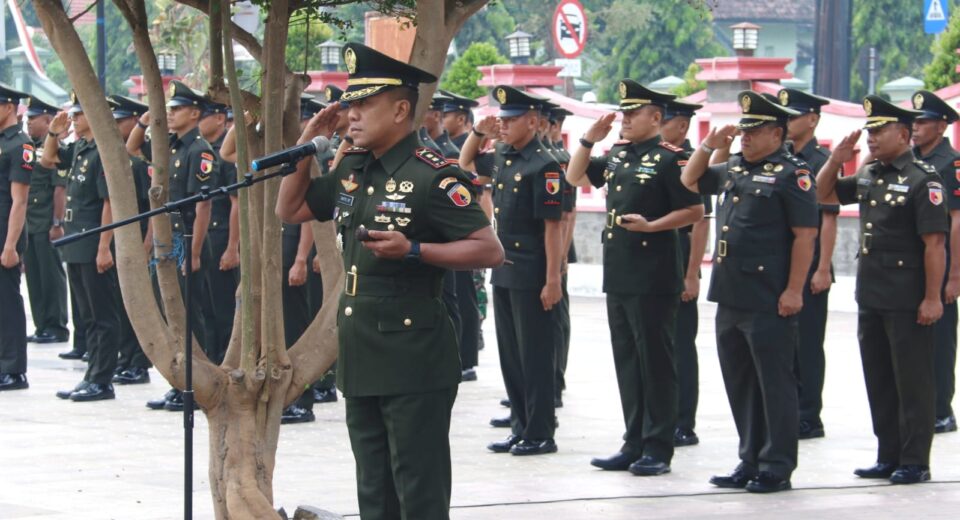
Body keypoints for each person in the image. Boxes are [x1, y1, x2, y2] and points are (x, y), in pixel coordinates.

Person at [276, 42, 502, 519]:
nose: (351, 116)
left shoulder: (433, 177)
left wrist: (415, 250)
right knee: (374, 490)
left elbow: (489, 250)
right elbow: (290, 209)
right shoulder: (354, 168)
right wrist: (305, 147)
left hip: (412, 353)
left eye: (364, 105)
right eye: (350, 105)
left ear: (402, 109)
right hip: (361, 349)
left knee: (417, 490)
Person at [681, 91, 818, 493]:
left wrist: (795, 290)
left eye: (753, 130)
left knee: (774, 383)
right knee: (740, 381)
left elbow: (805, 237)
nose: (745, 137)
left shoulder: (793, 174)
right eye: (744, 129)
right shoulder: (735, 166)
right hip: (731, 292)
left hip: (769, 295)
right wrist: (709, 145)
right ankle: (750, 458)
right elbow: (690, 179)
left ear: (776, 132)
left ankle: (776, 465)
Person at [566, 81, 703, 475]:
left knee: (655, 361)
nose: (624, 120)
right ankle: (633, 441)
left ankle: (659, 446)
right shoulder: (618, 155)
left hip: (654, 273)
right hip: (620, 271)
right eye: (623, 113)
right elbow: (576, 178)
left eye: (632, 114)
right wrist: (589, 140)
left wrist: (653, 226)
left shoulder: (670, 159)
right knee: (627, 360)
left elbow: (693, 212)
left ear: (656, 118)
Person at [817, 95, 947, 484]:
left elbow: (935, 244)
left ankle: (915, 460)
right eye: (869, 131)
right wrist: (837, 158)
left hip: (907, 297)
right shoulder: (871, 173)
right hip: (871, 293)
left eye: (880, 131)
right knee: (879, 377)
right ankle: (887, 454)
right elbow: (822, 193)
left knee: (912, 380)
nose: (871, 138)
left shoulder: (924, 180)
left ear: (904, 134)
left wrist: (931, 297)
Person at [461, 86, 566, 456]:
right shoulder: (505, 155)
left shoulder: (546, 165)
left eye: (510, 120)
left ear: (533, 121)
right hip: (503, 267)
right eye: (501, 120)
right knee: (511, 354)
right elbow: (464, 165)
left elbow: (554, 227)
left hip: (532, 270)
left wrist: (553, 279)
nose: (502, 126)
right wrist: (479, 134)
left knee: (535, 354)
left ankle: (541, 431)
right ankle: (520, 426)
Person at [128, 80, 219, 411]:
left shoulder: (200, 151)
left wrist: (193, 254)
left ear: (195, 113)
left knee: (191, 315)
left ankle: (198, 384)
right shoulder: (173, 147)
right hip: (168, 242)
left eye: (176, 109)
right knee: (171, 315)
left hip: (188, 242)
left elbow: (203, 207)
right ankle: (181, 382)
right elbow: (132, 147)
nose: (170, 114)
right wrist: (146, 118)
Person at [42, 93, 122, 402]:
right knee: (87, 314)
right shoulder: (81, 149)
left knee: (102, 314)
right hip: (76, 241)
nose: (73, 119)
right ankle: (92, 374)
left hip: (92, 241)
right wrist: (53, 133)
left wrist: (104, 246)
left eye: (79, 114)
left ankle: (102, 379)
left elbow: (109, 202)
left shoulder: (103, 150)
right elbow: (48, 159)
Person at [777, 88, 839, 440]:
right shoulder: (782, 156)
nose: (787, 123)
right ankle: (790, 408)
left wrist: (822, 268)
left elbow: (828, 218)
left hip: (812, 261)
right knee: (785, 341)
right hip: (784, 262)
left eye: (793, 117)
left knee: (809, 343)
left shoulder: (822, 160)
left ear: (812, 119)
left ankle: (809, 414)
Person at [659, 99, 712, 447]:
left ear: (681, 126)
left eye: (661, 120)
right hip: (655, 265)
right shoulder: (655, 158)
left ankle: (683, 421)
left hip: (679, 260)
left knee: (680, 346)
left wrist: (691, 273)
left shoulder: (688, 162)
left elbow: (701, 222)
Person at [910, 90, 960, 434]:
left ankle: (942, 408)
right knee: (914, 340)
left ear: (941, 126)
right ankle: (920, 404)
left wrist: (955, 274)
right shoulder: (909, 160)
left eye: (923, 121)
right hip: (911, 263)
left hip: (942, 264)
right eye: (913, 121)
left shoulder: (951, 163)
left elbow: (957, 220)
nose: (915, 127)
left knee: (941, 341)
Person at [104, 94, 153, 385]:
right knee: (125, 302)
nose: (114, 124)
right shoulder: (127, 155)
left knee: (140, 301)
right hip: (129, 235)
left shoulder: (150, 152)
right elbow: (129, 146)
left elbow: (150, 206)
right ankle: (128, 358)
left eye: (121, 120)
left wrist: (147, 243)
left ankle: (138, 362)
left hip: (145, 232)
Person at [22, 96, 70, 345]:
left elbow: (59, 189)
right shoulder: (30, 147)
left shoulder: (56, 149)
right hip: (31, 222)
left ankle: (56, 325)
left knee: (51, 276)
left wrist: (57, 223)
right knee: (35, 277)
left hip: (47, 222)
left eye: (33, 118)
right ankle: (42, 324)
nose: (28, 122)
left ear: (48, 120)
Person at [198, 96, 239, 363]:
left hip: (223, 234)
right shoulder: (203, 150)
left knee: (223, 308)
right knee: (205, 306)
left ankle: (225, 360)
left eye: (204, 115)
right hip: (205, 237)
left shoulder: (226, 154)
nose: (200, 120)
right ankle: (210, 358)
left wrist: (232, 247)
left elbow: (236, 203)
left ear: (220, 118)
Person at [0, 84, 32, 392]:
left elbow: (19, 200)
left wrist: (10, 245)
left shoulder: (18, 145)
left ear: (9, 107)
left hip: (4, 235)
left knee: (7, 302)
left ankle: (13, 370)